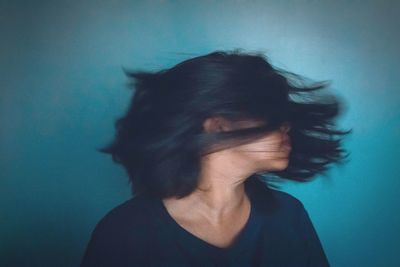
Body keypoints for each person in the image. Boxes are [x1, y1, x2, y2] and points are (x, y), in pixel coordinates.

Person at [80, 49, 351, 267]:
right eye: (270, 113)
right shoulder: (122, 235)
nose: (286, 126)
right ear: (217, 126)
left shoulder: (290, 216)